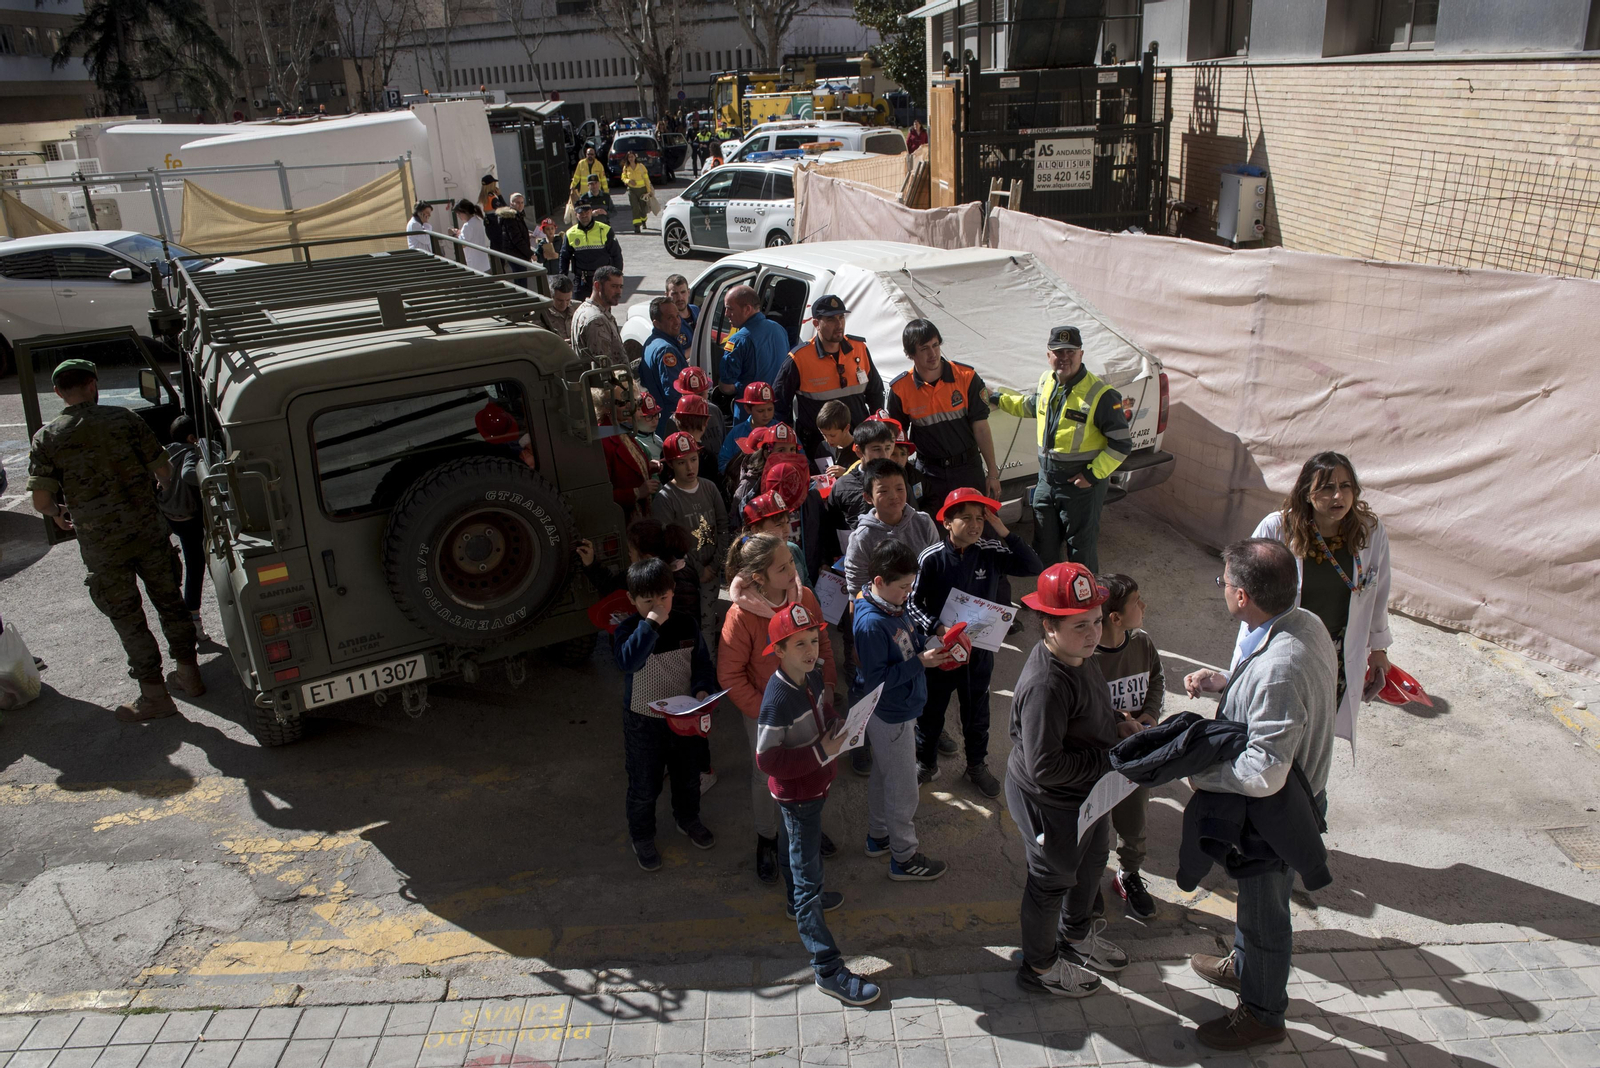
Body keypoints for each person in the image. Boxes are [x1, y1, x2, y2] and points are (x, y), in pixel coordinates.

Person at [1182, 539, 1338, 1051]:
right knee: (1253, 905)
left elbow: (1266, 770)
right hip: (1297, 798)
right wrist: (1224, 684)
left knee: (1265, 913)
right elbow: (1278, 703)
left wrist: (1203, 777)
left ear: (1244, 596)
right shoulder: (1304, 623)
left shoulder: (1278, 667)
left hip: (1277, 814)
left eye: (1224, 582)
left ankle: (1263, 1015)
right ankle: (1246, 970)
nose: (1221, 589)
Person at [27, 359, 203, 721]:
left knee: (128, 617)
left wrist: (59, 514)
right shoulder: (124, 419)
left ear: (58, 392)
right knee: (170, 601)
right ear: (94, 384)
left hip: (103, 546)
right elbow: (164, 471)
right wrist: (153, 491)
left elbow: (42, 501)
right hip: (148, 531)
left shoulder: (48, 438)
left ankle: (155, 696)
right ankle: (190, 675)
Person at [1008, 561, 1131, 998]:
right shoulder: (1046, 684)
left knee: (1094, 859)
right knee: (1051, 880)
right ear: (1048, 624)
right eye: (1080, 625)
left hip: (1087, 796)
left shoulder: (1078, 653)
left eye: (1097, 621)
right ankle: (1039, 967)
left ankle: (1076, 937)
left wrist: (1118, 723)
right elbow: (1045, 767)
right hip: (1051, 802)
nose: (1094, 634)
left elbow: (1090, 711)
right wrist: (1111, 759)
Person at [756, 602, 880, 1007]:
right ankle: (827, 968)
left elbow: (821, 710)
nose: (811, 651)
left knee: (794, 851)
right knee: (808, 876)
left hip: (811, 788)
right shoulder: (777, 698)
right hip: (799, 795)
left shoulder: (808, 678)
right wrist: (819, 752)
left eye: (813, 641)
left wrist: (836, 722)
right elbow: (767, 759)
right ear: (778, 650)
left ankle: (796, 901)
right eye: (799, 645)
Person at [1240, 451, 1393, 748]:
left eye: (1346, 486)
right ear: (1306, 494)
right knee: (1273, 735)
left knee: (1315, 741)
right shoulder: (1277, 529)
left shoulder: (1369, 532)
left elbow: (1379, 592)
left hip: (1334, 658)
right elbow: (1243, 587)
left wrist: (1378, 650)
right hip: (1281, 653)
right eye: (1326, 487)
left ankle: (1309, 794)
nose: (1338, 495)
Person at [909, 488, 1044, 797]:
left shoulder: (992, 550)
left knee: (977, 713)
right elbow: (911, 604)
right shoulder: (930, 558)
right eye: (966, 518)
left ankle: (976, 766)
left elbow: (1033, 567)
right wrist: (937, 627)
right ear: (946, 522)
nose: (974, 525)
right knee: (931, 712)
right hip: (941, 651)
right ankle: (926, 763)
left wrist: (1004, 531)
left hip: (979, 652)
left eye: (980, 519)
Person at [720, 534, 837, 884]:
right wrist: (767, 711)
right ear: (759, 578)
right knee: (766, 775)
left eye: (791, 561)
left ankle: (805, 827)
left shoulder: (805, 598)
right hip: (764, 713)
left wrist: (827, 687)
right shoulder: (740, 616)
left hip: (809, 706)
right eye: (783, 567)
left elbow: (825, 643)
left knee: (810, 763)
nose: (793, 571)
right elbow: (730, 675)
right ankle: (767, 837)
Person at [995, 325, 1132, 574]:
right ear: (1049, 355)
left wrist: (1091, 475)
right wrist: (997, 399)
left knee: (1080, 550)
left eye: (1070, 351)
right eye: (1058, 352)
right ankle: (1051, 602)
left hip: (1080, 487)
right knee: (1044, 548)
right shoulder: (1047, 380)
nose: (1064, 357)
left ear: (1081, 354)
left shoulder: (1100, 395)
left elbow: (1122, 444)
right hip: (1046, 481)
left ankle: (1084, 607)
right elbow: (1032, 406)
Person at [854, 540, 951, 881]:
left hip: (900, 709)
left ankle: (879, 837)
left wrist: (931, 646)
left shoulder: (892, 605)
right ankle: (904, 858)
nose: (908, 594)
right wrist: (920, 663)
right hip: (890, 713)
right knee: (903, 789)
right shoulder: (870, 624)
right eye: (903, 587)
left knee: (886, 776)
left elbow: (908, 636)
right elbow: (876, 681)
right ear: (879, 581)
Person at [613, 557, 718, 871]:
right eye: (648, 601)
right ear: (632, 600)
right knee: (645, 784)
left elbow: (701, 664)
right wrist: (651, 624)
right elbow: (627, 662)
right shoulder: (628, 630)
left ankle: (688, 819)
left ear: (673, 591)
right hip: (643, 723)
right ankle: (642, 834)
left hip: (683, 719)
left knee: (687, 777)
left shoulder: (687, 624)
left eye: (664, 598)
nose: (658, 605)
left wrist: (701, 690)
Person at [1090, 573, 1163, 920]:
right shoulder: (1088, 657)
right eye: (1137, 602)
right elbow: (1083, 706)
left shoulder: (1142, 643)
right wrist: (1116, 721)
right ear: (1115, 618)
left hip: (1137, 755)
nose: (1144, 606)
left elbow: (1157, 679)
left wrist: (1149, 714)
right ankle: (1089, 879)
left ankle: (1129, 874)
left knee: (1134, 821)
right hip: (1100, 759)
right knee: (1094, 824)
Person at [887, 319, 1003, 513]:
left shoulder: (966, 377)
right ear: (910, 354)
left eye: (935, 345)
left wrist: (992, 473)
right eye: (924, 348)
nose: (932, 354)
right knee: (936, 534)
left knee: (981, 530)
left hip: (968, 468)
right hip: (929, 473)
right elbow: (896, 440)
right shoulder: (900, 389)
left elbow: (981, 428)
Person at [773, 295, 884, 460]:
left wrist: (873, 433)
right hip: (818, 449)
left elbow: (875, 393)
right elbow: (779, 405)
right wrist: (792, 445)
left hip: (858, 444)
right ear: (816, 323)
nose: (839, 324)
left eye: (841, 317)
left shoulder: (859, 349)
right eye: (831, 319)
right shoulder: (799, 359)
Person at [651, 432, 729, 640]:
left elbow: (723, 526)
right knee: (690, 627)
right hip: (684, 577)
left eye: (693, 459)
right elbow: (670, 544)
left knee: (709, 625)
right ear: (670, 465)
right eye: (681, 462)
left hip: (711, 570)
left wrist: (714, 565)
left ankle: (710, 668)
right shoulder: (666, 498)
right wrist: (699, 569)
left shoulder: (709, 488)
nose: (689, 468)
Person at [842, 459, 939, 599]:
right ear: (868, 497)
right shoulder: (862, 538)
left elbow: (935, 568)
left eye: (899, 489)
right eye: (883, 491)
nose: (894, 496)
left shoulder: (923, 522)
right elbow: (857, 590)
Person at [156, 415, 209, 642]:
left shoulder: (164, 451)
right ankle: (193, 619)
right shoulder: (190, 451)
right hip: (189, 520)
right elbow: (189, 474)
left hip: (168, 515)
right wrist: (211, 479)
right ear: (191, 437)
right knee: (196, 566)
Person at [718, 285, 791, 407]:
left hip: (749, 411)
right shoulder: (779, 329)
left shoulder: (738, 340)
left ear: (747, 309)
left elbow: (726, 387)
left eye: (730, 309)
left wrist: (734, 387)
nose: (726, 314)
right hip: (776, 408)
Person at [826, 419, 896, 537]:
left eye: (888, 448)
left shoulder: (899, 480)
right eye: (876, 449)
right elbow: (832, 526)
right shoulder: (843, 486)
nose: (884, 455)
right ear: (859, 451)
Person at [603, 392, 659, 524]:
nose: (630, 407)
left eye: (634, 402)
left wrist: (646, 467)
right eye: (622, 403)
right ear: (606, 406)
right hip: (625, 525)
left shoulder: (621, 430)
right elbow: (601, 496)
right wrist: (638, 492)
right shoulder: (604, 441)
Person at [559, 198, 623, 302]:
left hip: (603, 279)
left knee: (603, 310)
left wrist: (617, 276)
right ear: (576, 214)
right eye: (581, 213)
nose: (584, 215)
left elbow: (616, 254)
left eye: (586, 212)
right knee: (579, 308)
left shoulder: (605, 229)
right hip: (581, 280)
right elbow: (564, 257)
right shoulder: (570, 233)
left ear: (591, 211)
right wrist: (562, 278)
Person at [742, 491, 808, 587]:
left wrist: (812, 601)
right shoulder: (753, 563)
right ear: (756, 530)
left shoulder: (794, 549)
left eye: (787, 522)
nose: (787, 529)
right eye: (779, 524)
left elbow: (806, 581)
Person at [639, 297, 688, 417]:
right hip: (671, 419)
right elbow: (673, 392)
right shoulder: (666, 350)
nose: (677, 321)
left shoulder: (650, 342)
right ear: (657, 324)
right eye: (670, 318)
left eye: (677, 315)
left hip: (658, 417)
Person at [672, 367, 725, 471]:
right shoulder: (675, 419)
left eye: (700, 394)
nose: (695, 399)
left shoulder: (714, 411)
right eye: (689, 395)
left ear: (707, 391)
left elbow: (723, 441)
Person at [571, 265, 627, 363]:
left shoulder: (583, 309)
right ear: (598, 286)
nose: (619, 292)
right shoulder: (596, 319)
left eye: (620, 287)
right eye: (613, 286)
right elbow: (604, 368)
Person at [719, 382, 776, 477]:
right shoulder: (736, 432)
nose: (766, 415)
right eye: (760, 411)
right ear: (747, 409)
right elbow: (723, 463)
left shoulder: (782, 431)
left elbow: (800, 458)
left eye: (770, 409)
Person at [496, 194, 534, 283]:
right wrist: (530, 254)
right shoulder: (511, 217)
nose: (520, 205)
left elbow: (517, 232)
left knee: (521, 278)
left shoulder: (517, 215)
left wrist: (526, 234)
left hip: (516, 252)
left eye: (522, 202)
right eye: (517, 203)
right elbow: (516, 239)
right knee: (521, 280)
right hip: (515, 253)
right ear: (511, 203)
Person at [450, 199, 490, 272]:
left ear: (465, 212)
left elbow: (463, 244)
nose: (458, 216)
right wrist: (460, 233)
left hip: (474, 263)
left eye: (459, 214)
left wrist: (455, 234)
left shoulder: (467, 226)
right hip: (483, 261)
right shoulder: (478, 221)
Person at [814, 401, 853, 476]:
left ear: (846, 428)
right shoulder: (823, 447)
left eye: (832, 435)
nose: (828, 440)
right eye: (824, 435)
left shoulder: (859, 451)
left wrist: (846, 473)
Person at [536, 274, 577, 342]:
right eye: (560, 300)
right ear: (551, 296)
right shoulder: (540, 314)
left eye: (568, 300)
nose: (564, 304)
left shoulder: (578, 308)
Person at [621, 151, 654, 234]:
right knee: (634, 207)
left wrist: (649, 191)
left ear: (635, 157)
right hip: (632, 190)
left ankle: (644, 220)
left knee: (643, 208)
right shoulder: (626, 167)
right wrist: (628, 180)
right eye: (629, 157)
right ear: (627, 158)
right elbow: (623, 177)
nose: (631, 159)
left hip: (642, 190)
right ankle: (637, 226)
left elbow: (646, 179)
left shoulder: (641, 166)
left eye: (632, 156)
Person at [479, 175, 508, 264]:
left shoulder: (484, 196)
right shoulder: (492, 198)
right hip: (495, 226)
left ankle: (497, 269)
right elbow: (505, 209)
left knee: (494, 250)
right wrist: (499, 195)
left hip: (489, 226)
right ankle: (501, 271)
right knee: (500, 251)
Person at [666, 273, 697, 350]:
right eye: (674, 293)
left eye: (683, 292)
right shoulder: (667, 322)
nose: (680, 298)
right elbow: (675, 354)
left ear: (688, 292)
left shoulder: (696, 310)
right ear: (667, 295)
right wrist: (699, 348)